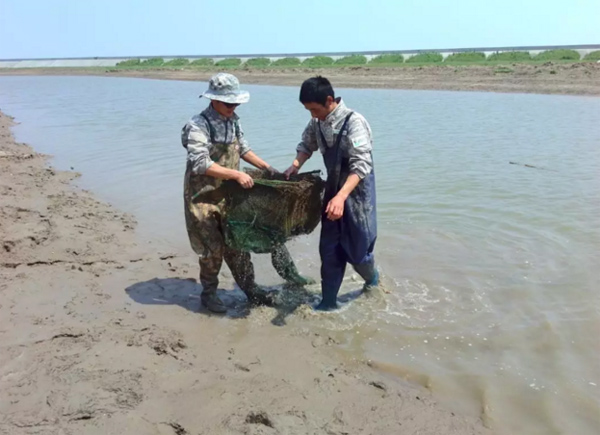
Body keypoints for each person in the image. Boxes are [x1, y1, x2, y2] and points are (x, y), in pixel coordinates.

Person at [182, 73, 313, 313]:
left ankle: (251, 290)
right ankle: (209, 294)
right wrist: (238, 175)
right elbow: (200, 163)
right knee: (212, 249)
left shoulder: (234, 121)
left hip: (231, 196)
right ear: (213, 100)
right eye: (228, 103)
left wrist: (267, 168)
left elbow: (243, 149)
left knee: (237, 245)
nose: (233, 107)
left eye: (236, 103)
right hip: (203, 197)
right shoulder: (198, 125)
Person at [284, 76, 379, 311]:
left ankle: (372, 279)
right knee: (329, 250)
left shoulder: (354, 122)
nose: (312, 115)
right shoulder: (317, 123)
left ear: (329, 100)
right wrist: (295, 165)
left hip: (357, 193)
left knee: (357, 251)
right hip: (333, 190)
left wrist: (341, 196)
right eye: (308, 110)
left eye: (314, 109)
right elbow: (307, 145)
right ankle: (328, 303)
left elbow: (361, 165)